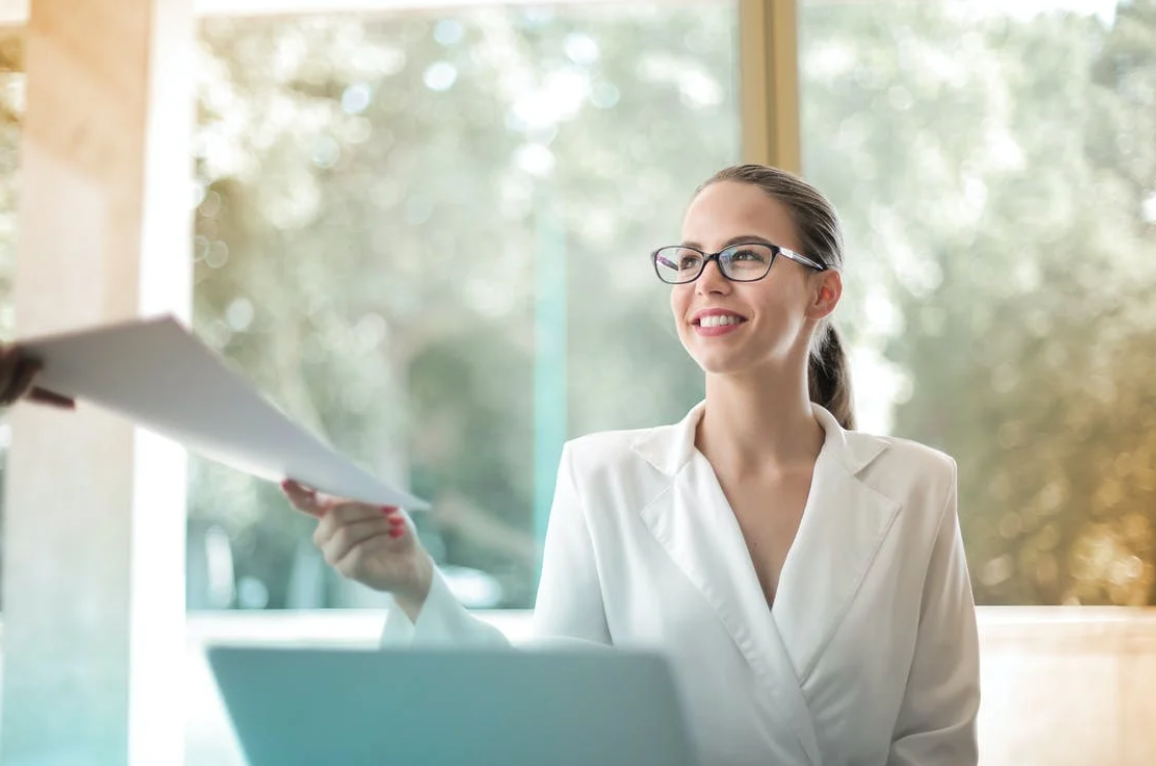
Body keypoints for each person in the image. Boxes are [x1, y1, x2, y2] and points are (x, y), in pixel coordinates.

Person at [283, 164, 981, 766]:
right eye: (689, 258)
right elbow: (553, 724)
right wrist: (415, 586)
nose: (707, 281)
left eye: (743, 256)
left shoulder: (916, 487)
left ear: (821, 293)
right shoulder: (601, 479)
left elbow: (936, 743)